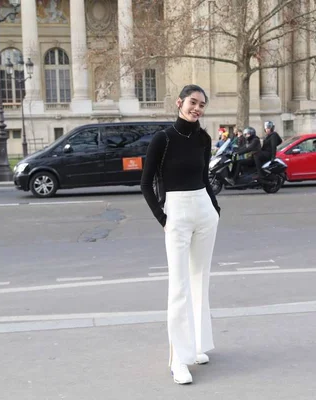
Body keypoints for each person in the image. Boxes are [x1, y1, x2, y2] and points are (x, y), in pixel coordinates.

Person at [140, 84, 221, 385]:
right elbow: (146, 184)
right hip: (176, 212)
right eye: (192, 102)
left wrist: (215, 209)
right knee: (179, 286)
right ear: (179, 102)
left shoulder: (203, 138)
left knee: (201, 280)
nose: (197, 108)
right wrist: (163, 218)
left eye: (201, 104)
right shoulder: (162, 139)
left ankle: (198, 345)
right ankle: (178, 359)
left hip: (203, 211)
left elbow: (205, 178)